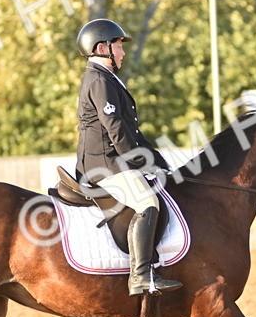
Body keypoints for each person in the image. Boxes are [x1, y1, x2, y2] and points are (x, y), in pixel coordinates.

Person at [74, 18, 181, 296]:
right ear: (101, 48)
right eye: (118, 45)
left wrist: (157, 160)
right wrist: (138, 164)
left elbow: (131, 131)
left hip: (112, 160)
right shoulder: (98, 80)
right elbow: (116, 130)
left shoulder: (107, 78)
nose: (122, 52)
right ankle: (140, 275)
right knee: (148, 202)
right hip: (102, 166)